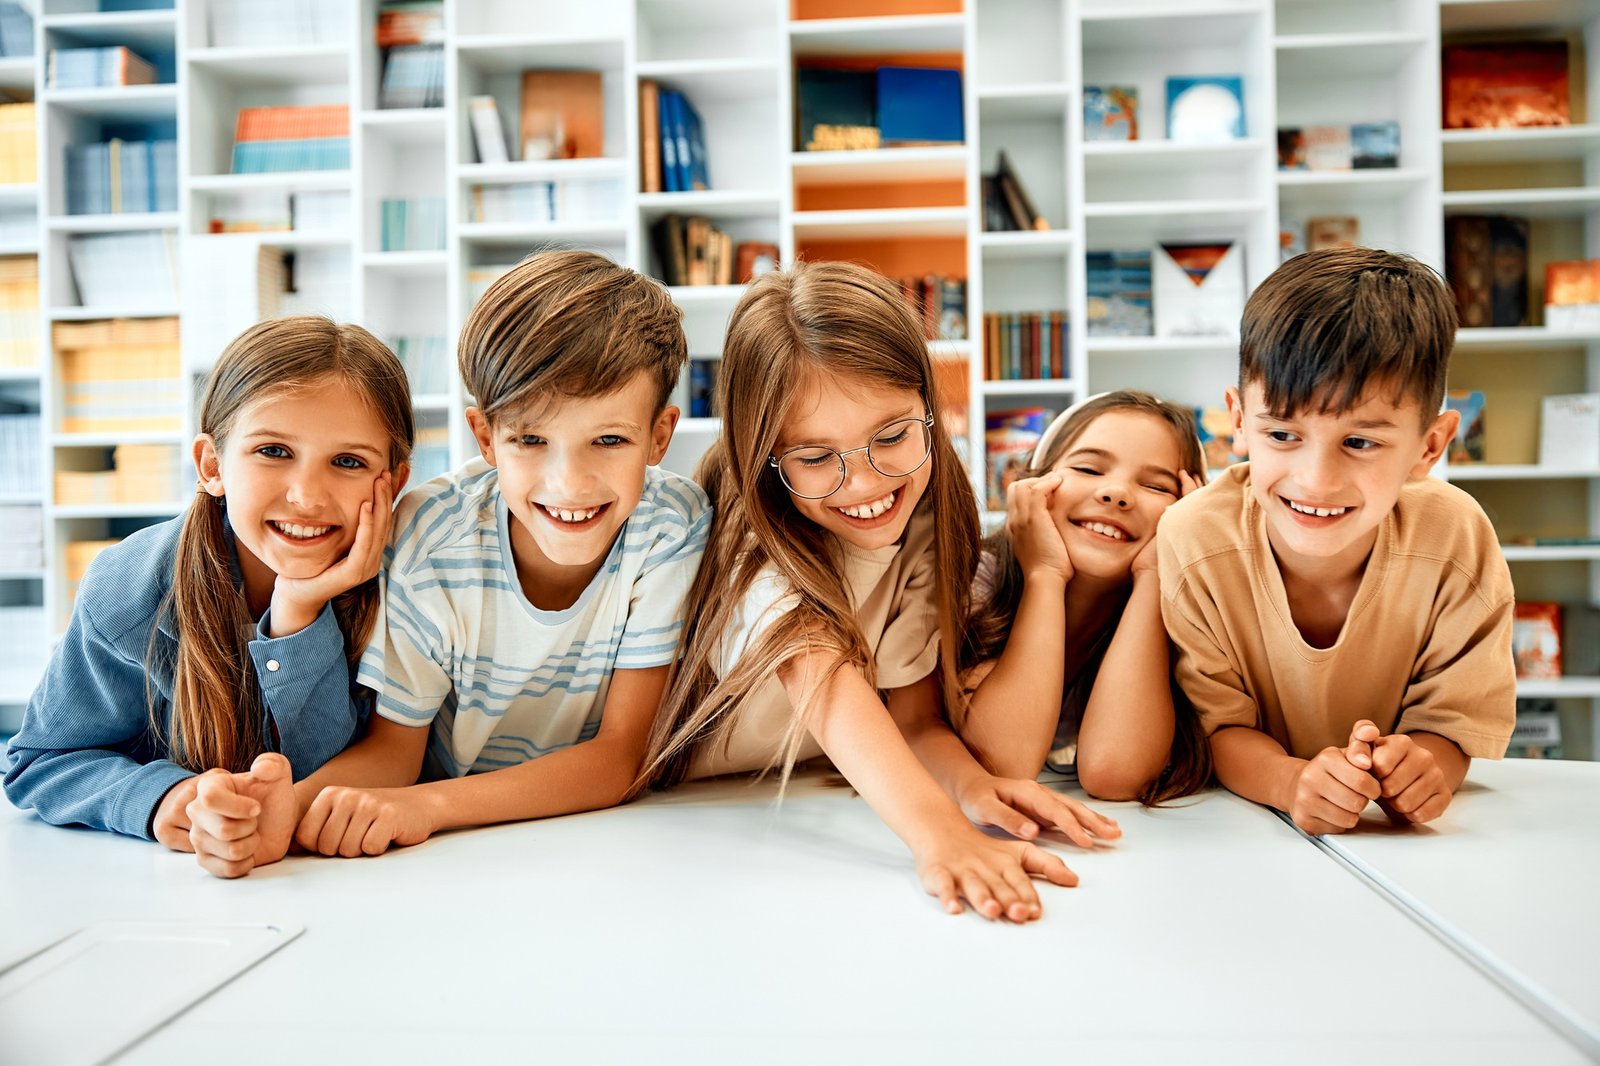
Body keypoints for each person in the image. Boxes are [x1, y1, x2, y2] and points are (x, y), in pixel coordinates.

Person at [640, 261, 1119, 923]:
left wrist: (975, 791)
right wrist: (938, 836)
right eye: (813, 457)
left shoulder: (928, 519)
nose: (863, 484)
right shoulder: (745, 529)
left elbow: (912, 715)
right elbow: (822, 678)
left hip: (779, 797)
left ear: (929, 405)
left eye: (891, 436)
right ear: (764, 456)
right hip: (669, 815)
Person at [291, 250, 710, 856]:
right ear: (485, 437)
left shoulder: (669, 528)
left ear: (660, 436)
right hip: (454, 850)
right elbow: (393, 752)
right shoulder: (432, 539)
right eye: (531, 439)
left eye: (609, 440)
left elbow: (620, 757)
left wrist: (428, 807)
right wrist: (282, 808)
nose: (569, 483)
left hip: (590, 838)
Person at [3, 316, 412, 878]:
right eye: (272, 451)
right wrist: (166, 801)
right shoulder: (133, 586)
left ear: (394, 480)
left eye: (348, 462)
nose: (307, 496)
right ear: (212, 466)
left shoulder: (413, 582)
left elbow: (326, 771)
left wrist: (299, 609)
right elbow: (40, 762)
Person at [1157, 247, 1516, 834]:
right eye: (1281, 433)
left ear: (1431, 445)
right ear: (1238, 421)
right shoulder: (1195, 536)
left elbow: (1451, 725)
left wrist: (1425, 767)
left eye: (1361, 443)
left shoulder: (1455, 535)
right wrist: (1291, 781)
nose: (1316, 480)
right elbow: (1219, 728)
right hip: (1239, 835)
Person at [959, 391, 1210, 803]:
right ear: (1031, 484)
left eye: (1154, 485)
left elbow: (1115, 775)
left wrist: (1155, 573)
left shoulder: (1185, 615)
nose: (1117, 493)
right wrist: (1045, 574)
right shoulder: (976, 579)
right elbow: (1001, 764)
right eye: (1089, 468)